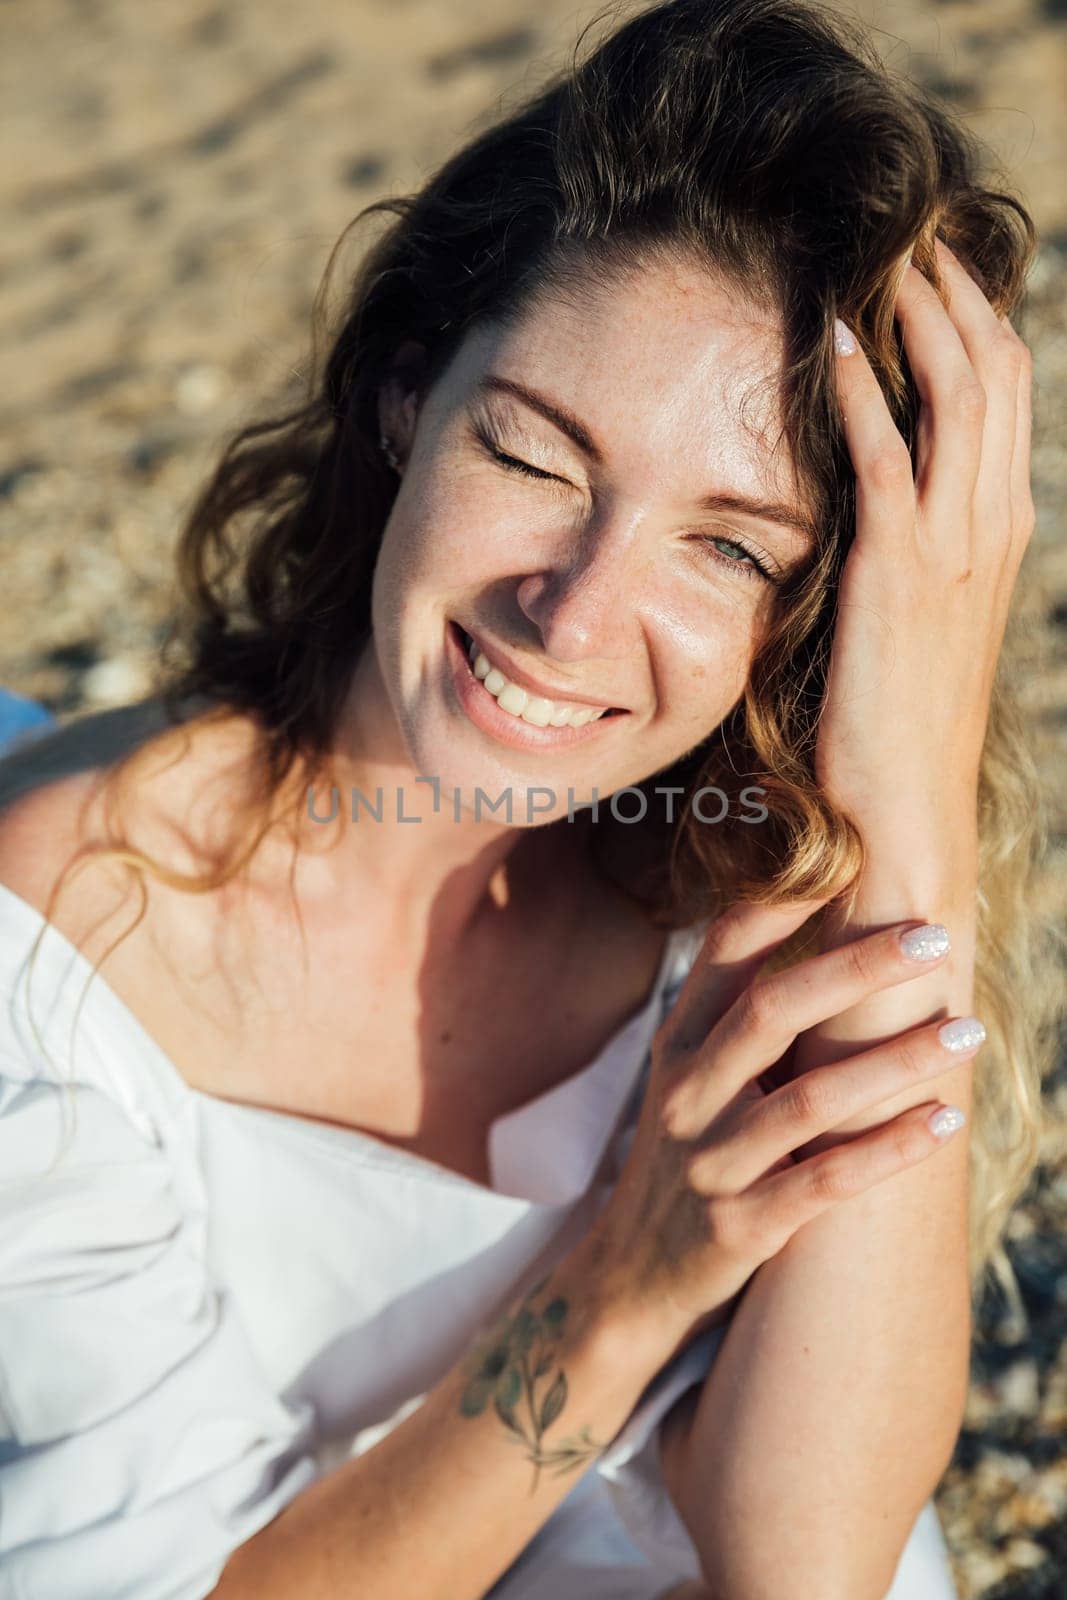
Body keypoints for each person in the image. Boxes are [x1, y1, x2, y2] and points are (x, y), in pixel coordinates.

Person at [0, 0, 1058, 1596]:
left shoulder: (753, 876)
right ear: (406, 400)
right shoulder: (58, 948)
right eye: (538, 459)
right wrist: (624, 1286)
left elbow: (811, 1561)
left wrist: (907, 797)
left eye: (724, 545)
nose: (571, 615)